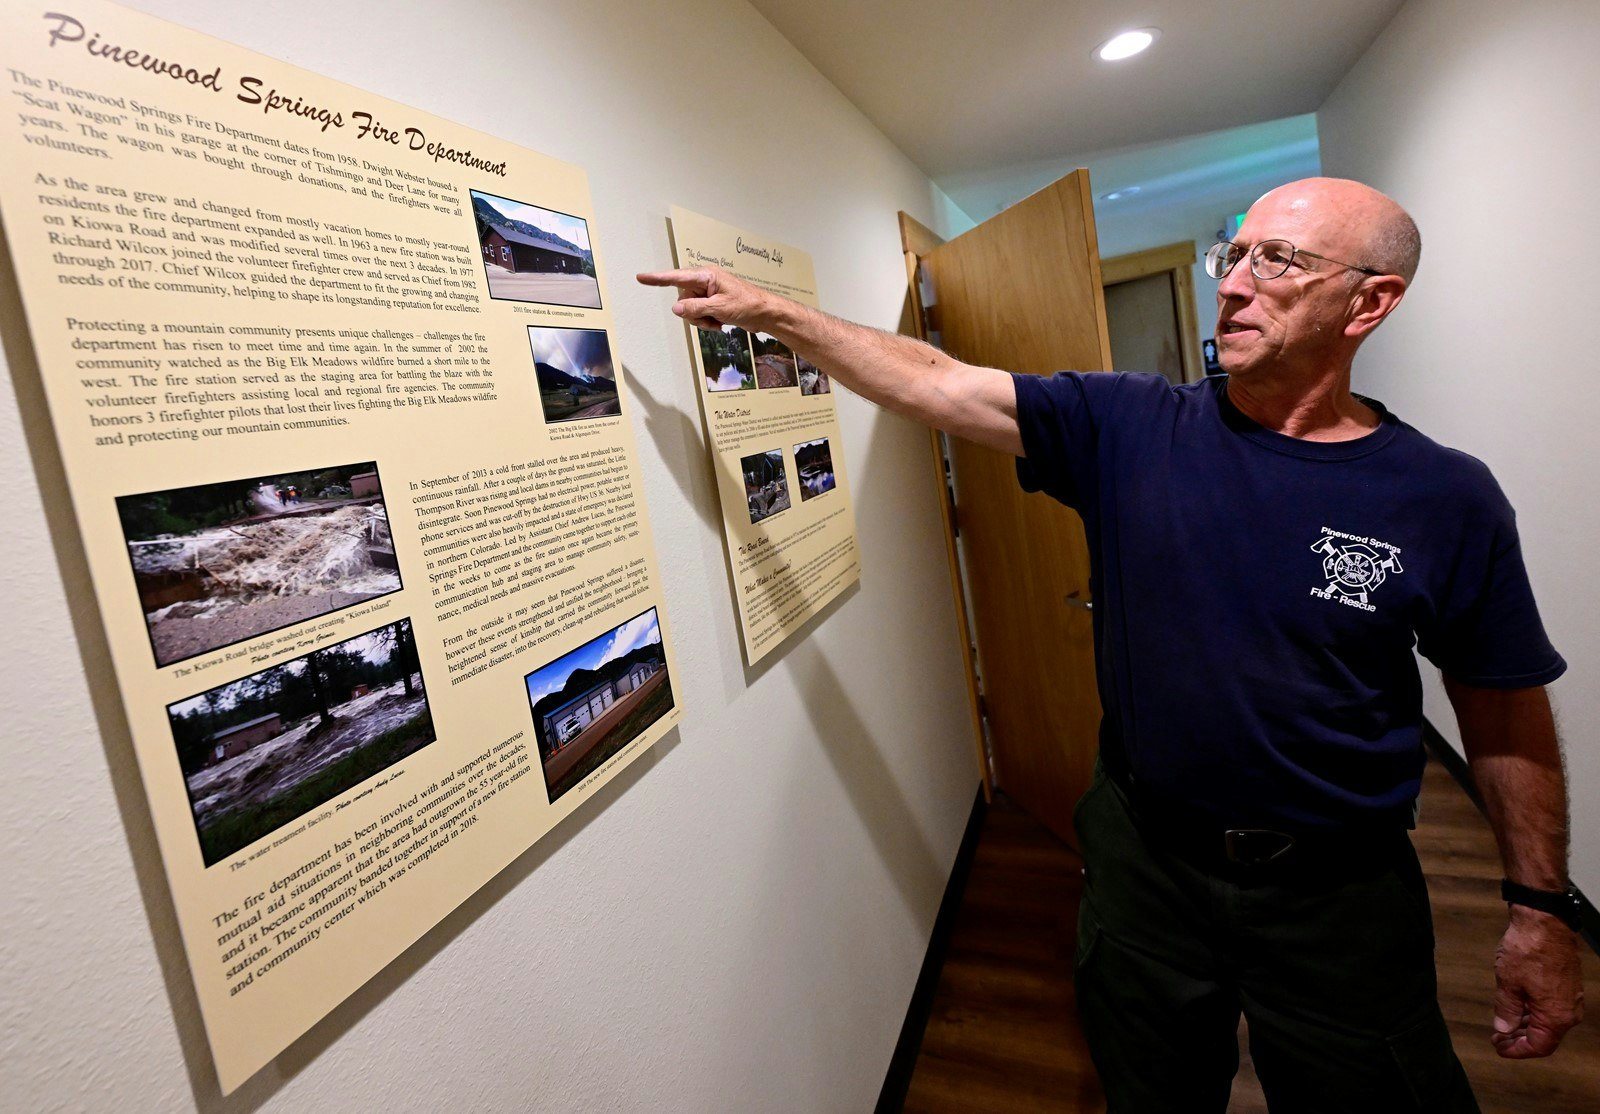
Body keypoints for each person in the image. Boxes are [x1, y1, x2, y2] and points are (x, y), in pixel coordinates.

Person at [640, 177, 1583, 1109]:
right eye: (1236, 255)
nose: (1237, 283)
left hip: (1337, 893)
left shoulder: (1446, 497)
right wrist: (776, 313)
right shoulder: (1130, 425)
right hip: (1147, 869)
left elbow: (1501, 709)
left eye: (1281, 260)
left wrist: (1539, 910)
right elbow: (935, 382)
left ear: (1370, 301)